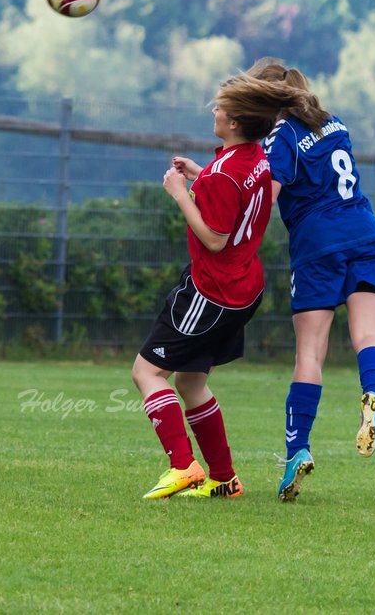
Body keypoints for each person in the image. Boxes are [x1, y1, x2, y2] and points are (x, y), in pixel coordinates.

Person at [132, 70, 310, 500]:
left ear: (233, 123)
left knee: (147, 373)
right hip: (242, 289)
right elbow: (236, 194)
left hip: (211, 291)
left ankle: (183, 466)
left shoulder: (222, 174)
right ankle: (224, 479)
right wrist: (199, 174)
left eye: (220, 108)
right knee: (191, 382)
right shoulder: (254, 159)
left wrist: (180, 192)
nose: (214, 111)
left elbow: (214, 237)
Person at [246, 58, 375, 503]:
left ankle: (297, 452)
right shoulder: (334, 122)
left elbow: (266, 199)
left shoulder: (281, 136)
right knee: (368, 334)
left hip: (318, 246)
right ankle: (372, 395)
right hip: (367, 234)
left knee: (310, 353)